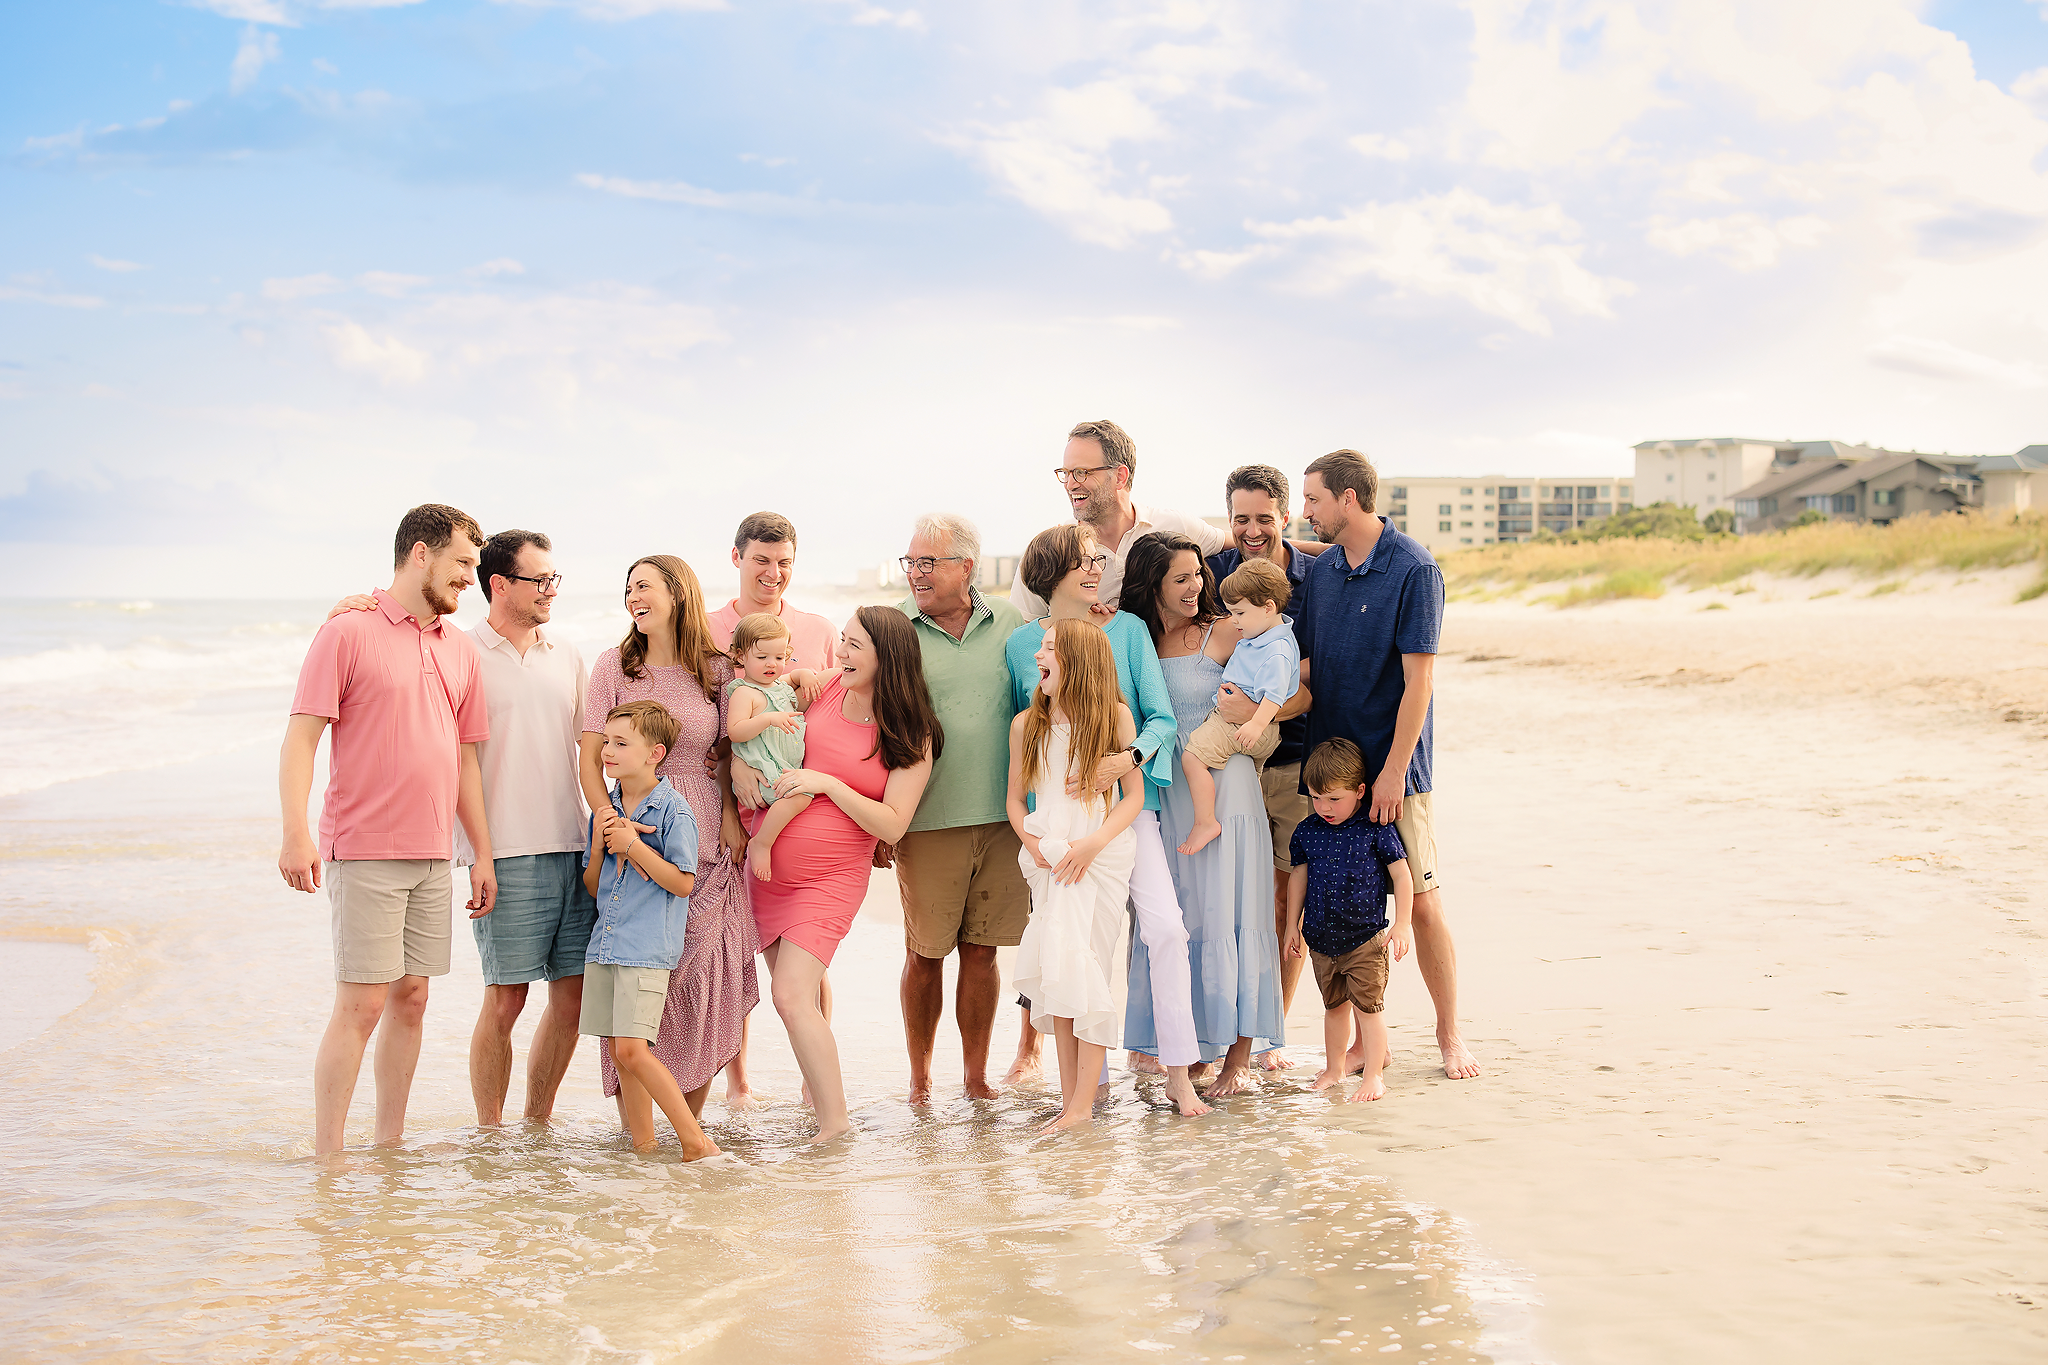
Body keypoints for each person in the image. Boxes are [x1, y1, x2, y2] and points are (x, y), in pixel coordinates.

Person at [322, 528, 595, 1127]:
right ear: (500, 584)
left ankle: (536, 1123)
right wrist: (480, 853)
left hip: (573, 846)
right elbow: (451, 747)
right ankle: (490, 1129)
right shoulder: (460, 650)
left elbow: (592, 753)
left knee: (572, 1001)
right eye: (539, 579)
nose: (551, 590)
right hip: (504, 850)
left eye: (555, 579)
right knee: (506, 1000)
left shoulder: (570, 655)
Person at [278, 504, 494, 1156]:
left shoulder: (459, 648)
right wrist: (295, 831)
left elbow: (465, 759)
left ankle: (389, 1144)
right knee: (362, 1005)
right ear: (421, 552)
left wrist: (480, 852)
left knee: (413, 998)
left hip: (433, 852)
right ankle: (329, 1154)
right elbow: (301, 738)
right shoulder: (346, 631)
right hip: (364, 846)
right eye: (462, 563)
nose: (470, 578)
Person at [1000, 524, 1210, 1118]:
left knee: (1165, 931)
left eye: (1097, 559)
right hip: (1055, 825)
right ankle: (1072, 1090)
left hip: (1125, 813)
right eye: (1081, 562)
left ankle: (1179, 1075)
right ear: (1051, 576)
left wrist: (1128, 757)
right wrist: (1032, 830)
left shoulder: (1128, 630)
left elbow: (1160, 720)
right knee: (1071, 950)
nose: (1095, 569)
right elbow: (1028, 736)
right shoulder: (1022, 646)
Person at [1295, 448, 1478, 1081]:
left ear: (1348, 498)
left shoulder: (1414, 569)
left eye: (1313, 499)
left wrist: (1396, 769)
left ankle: (1449, 1035)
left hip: (1395, 765)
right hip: (1332, 769)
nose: (1304, 511)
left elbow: (1419, 682)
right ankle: (1365, 1042)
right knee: (1342, 901)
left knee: (1421, 900)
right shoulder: (1321, 574)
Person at [747, 606, 943, 1142]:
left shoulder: (911, 731)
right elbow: (766, 701)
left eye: (855, 645)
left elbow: (894, 824)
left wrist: (829, 784)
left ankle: (836, 1125)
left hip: (831, 878)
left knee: (790, 994)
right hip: (766, 870)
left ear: (889, 655)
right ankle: (818, 1102)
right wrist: (745, 763)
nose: (841, 652)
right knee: (793, 998)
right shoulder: (828, 686)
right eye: (843, 641)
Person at [580, 555, 760, 1129]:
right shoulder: (614, 667)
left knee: (703, 984)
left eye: (645, 586)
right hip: (633, 841)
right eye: (627, 587)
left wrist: (732, 814)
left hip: (706, 840)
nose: (633, 596)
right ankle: (642, 1141)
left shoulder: (716, 667)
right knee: (637, 985)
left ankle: (690, 1127)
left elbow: (735, 746)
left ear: (679, 594)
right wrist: (612, 826)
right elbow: (590, 761)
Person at [1119, 532, 1293, 1096]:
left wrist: (1256, 712)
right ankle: (1185, 1049)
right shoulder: (1132, 639)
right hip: (1163, 792)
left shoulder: (1225, 630)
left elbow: (1296, 683)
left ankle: (1238, 1060)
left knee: (1235, 916)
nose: (1196, 586)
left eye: (1198, 574)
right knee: (1181, 921)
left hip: (1229, 787)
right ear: (1152, 585)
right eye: (1180, 578)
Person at [886, 513, 1029, 1104]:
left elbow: (1041, 696)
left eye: (929, 562)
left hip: (1005, 818)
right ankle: (919, 1080)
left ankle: (975, 1076)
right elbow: (871, 715)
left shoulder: (1012, 622)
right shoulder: (898, 631)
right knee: (924, 955)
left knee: (983, 952)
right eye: (911, 562)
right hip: (925, 820)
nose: (917, 573)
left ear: (965, 567)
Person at [706, 511, 834, 1110]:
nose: (773, 574)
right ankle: (738, 1082)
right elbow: (705, 729)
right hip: (732, 814)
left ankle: (814, 1082)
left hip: (807, 812)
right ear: (736, 558)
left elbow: (840, 716)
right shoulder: (705, 630)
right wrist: (732, 789)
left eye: (784, 563)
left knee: (807, 950)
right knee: (734, 951)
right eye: (761, 560)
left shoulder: (815, 629)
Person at [1007, 620, 1148, 1132]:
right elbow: (1013, 801)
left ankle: (1083, 1108)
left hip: (1101, 857)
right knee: (1057, 976)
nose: (1037, 659)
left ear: (1079, 663)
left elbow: (1132, 797)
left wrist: (1091, 845)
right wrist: (1034, 845)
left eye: (1049, 650)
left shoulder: (1114, 718)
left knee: (1086, 972)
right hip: (1048, 860)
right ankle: (1072, 1103)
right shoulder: (1027, 724)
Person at [1205, 465, 1316, 1063]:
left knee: (1284, 902)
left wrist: (1260, 710)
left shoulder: (1312, 575)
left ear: (1285, 517)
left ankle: (1275, 1031)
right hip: (1231, 766)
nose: (1252, 529)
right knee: (1225, 903)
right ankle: (1225, 1031)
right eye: (1240, 519)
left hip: (1293, 759)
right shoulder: (1217, 575)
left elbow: (1310, 683)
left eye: (1263, 518)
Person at [580, 701, 719, 1158]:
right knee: (621, 1053)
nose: (608, 751)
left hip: (645, 946)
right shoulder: (606, 809)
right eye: (607, 741)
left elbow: (683, 882)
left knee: (635, 1049)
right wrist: (606, 844)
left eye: (622, 744)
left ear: (655, 753)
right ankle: (644, 1145)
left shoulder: (674, 811)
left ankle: (696, 1140)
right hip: (607, 943)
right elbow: (590, 881)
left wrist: (634, 845)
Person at [1283, 739, 1413, 1104]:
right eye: (1316, 798)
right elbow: (1299, 878)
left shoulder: (1374, 828)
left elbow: (1402, 876)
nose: (1324, 807)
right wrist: (1293, 926)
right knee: (1333, 1007)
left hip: (1365, 939)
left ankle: (1373, 1074)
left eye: (1334, 799)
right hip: (1321, 940)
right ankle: (1335, 1068)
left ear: (1359, 791)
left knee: (1369, 1009)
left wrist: (1402, 924)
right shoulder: (1308, 831)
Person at [1007, 419, 1232, 619]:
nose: (1070, 484)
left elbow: (1244, 541)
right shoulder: (1050, 551)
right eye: (1066, 473)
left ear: (1120, 476)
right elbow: (1024, 632)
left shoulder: (1176, 526)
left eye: (1082, 472)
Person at [1176, 558, 1299, 857]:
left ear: (1268, 608)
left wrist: (1255, 724)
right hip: (1249, 727)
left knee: (1192, 759)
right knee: (1249, 786)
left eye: (1240, 613)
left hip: (1248, 725)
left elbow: (1275, 695)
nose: (1234, 621)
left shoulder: (1277, 650)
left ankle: (1205, 822)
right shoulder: (1261, 636)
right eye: (1231, 612)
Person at [724, 612, 817, 885]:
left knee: (800, 794)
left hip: (783, 766)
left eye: (780, 657)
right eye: (762, 657)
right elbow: (735, 730)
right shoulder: (745, 693)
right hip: (764, 769)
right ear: (740, 656)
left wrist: (806, 675)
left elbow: (794, 677)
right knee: (802, 795)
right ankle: (762, 842)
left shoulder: (778, 685)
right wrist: (767, 718)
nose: (772, 665)